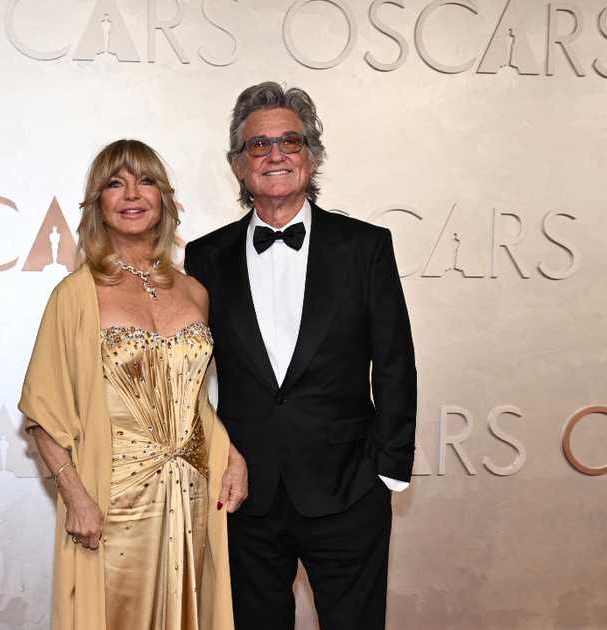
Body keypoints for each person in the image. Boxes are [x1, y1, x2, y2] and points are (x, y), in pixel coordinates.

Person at [183, 82, 417, 630]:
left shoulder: (365, 247)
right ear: (239, 167)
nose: (275, 156)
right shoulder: (205, 256)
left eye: (289, 141)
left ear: (311, 155)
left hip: (349, 489)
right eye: (258, 146)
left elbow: (395, 361)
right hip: (243, 493)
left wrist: (390, 470)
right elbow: (187, 372)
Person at [19, 139, 248, 630]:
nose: (132, 193)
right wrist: (76, 497)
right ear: (97, 203)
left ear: (163, 198)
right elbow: (42, 414)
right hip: (113, 499)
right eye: (114, 183)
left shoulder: (193, 291)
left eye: (145, 180)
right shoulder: (75, 295)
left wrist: (232, 454)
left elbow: (193, 401)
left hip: (192, 495)